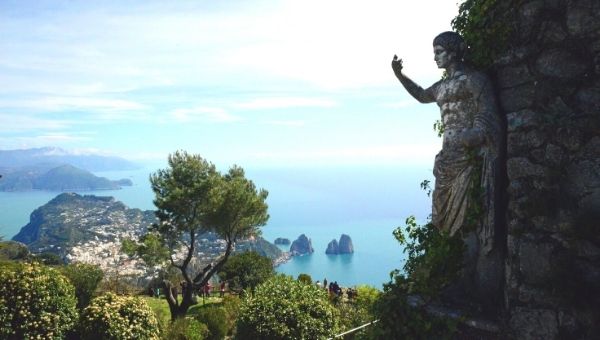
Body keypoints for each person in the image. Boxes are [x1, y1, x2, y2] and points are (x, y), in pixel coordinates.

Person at [391, 31, 501, 253]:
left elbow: (488, 113)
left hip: (467, 152)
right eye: (435, 53)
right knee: (442, 207)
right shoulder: (441, 87)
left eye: (439, 52)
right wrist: (400, 75)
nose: (435, 58)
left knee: (468, 208)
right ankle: (453, 256)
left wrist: (471, 136)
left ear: (453, 52)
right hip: (448, 155)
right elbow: (421, 95)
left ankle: (466, 256)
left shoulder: (474, 79)